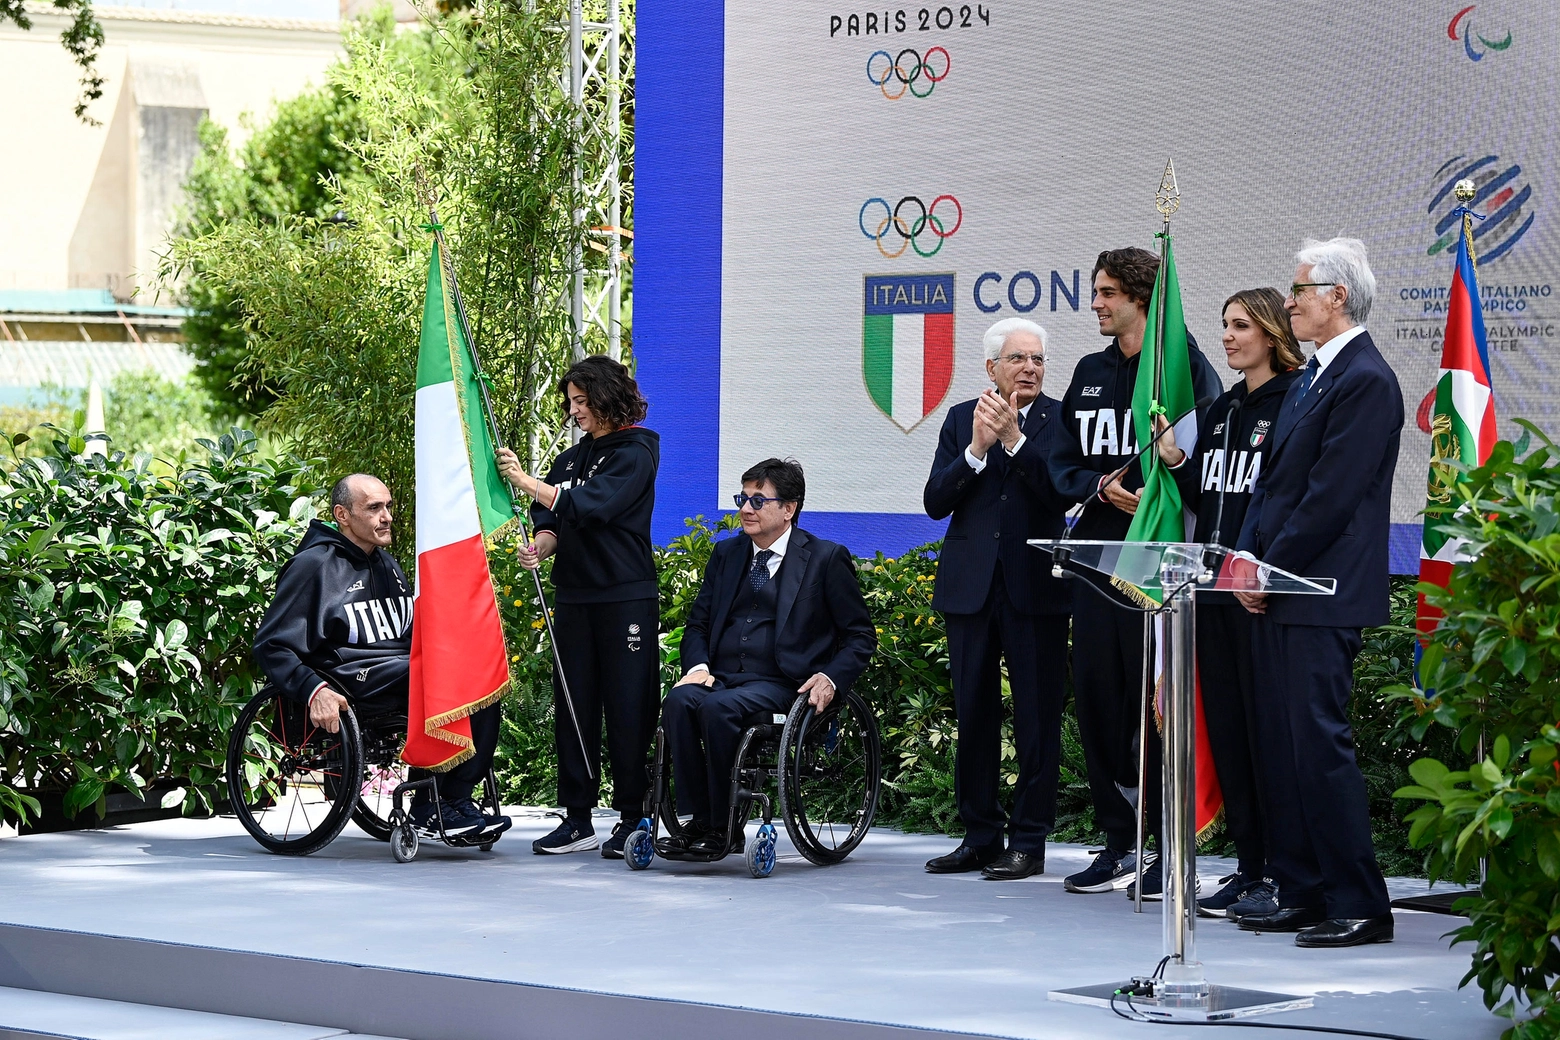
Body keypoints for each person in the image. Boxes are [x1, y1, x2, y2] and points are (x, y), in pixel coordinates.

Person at [1233, 237, 1402, 948]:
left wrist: (1266, 566)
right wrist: (1244, 554)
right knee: (1285, 747)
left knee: (1319, 747)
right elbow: (1271, 482)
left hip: (1322, 590)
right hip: (1284, 586)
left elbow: (1330, 498)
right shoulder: (1313, 376)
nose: (1291, 298)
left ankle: (1360, 901)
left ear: (1337, 297)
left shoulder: (1365, 379)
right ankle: (1302, 888)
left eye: (1301, 288)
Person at [1047, 246, 1224, 897]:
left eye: (1104, 293)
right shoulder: (1090, 371)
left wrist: (1155, 489)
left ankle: (1165, 846)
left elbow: (1200, 459)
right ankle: (1118, 840)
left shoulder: (1183, 367)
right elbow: (1059, 458)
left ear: (1139, 298)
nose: (1094, 303)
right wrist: (1096, 485)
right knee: (1098, 699)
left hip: (1159, 564)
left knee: (1154, 705)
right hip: (1098, 563)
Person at [1153, 288, 1303, 914]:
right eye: (1224, 326)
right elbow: (1208, 492)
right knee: (1231, 736)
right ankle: (1247, 866)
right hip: (1210, 593)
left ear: (1271, 333)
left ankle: (1281, 870)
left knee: (1268, 736)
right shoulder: (1219, 411)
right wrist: (1177, 458)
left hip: (1258, 596)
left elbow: (1278, 496)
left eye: (1242, 326)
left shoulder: (1295, 400)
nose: (1229, 336)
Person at [254, 473, 506, 836]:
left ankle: (451, 799)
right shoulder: (314, 566)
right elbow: (272, 644)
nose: (386, 516)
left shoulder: (387, 563)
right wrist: (313, 689)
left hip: (400, 668)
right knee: (444, 681)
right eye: (373, 508)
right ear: (342, 514)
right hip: (350, 678)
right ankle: (436, 805)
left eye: (388, 506)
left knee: (483, 677)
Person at [662, 458, 876, 855]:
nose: (745, 508)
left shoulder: (825, 558)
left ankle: (722, 825)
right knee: (678, 701)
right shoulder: (726, 555)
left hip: (783, 684)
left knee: (717, 709)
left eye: (758, 501)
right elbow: (698, 625)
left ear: (788, 508)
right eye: (742, 498)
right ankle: (698, 819)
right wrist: (698, 666)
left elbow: (860, 636)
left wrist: (830, 678)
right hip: (723, 677)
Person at [921, 318, 1071, 880]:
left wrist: (1014, 440)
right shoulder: (963, 419)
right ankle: (980, 835)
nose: (1029, 368)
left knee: (1037, 718)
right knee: (974, 714)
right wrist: (979, 450)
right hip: (971, 588)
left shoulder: (1061, 419)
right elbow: (936, 501)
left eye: (1037, 359)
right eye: (1017, 359)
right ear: (992, 368)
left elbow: (1059, 491)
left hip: (1036, 587)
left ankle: (1029, 841)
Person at [495, 355, 660, 859]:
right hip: (574, 596)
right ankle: (578, 817)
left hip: (624, 595)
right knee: (574, 704)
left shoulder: (637, 451)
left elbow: (592, 505)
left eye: (582, 401)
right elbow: (553, 516)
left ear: (608, 397)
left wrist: (524, 480)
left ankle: (633, 816)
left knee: (629, 705)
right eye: (570, 402)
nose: (575, 411)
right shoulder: (570, 459)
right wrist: (543, 544)